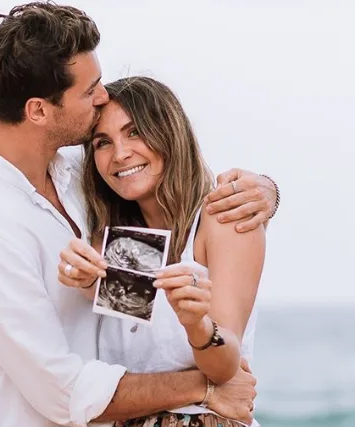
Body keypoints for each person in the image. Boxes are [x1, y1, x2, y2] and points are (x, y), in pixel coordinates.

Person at [0, 3, 280, 426]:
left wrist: (265, 191)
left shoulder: (85, 178)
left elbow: (158, 305)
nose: (102, 96)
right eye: (90, 89)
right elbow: (63, 393)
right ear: (39, 110)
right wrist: (206, 387)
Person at [58, 76, 266, 427]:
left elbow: (225, 366)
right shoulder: (126, 245)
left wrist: (197, 325)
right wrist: (79, 279)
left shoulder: (222, 219)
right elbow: (142, 358)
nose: (120, 154)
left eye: (135, 132)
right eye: (102, 142)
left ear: (168, 131)